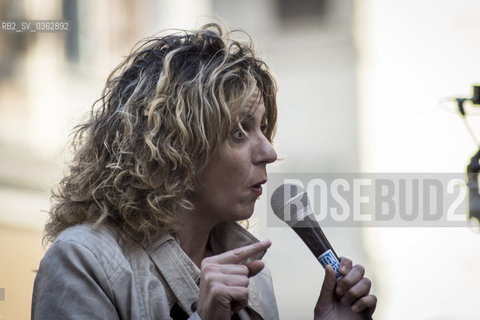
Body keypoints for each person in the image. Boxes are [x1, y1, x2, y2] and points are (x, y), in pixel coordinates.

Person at [31, 23, 377, 320]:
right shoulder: (84, 261)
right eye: (239, 131)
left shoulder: (254, 277)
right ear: (176, 147)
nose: (269, 152)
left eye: (263, 128)